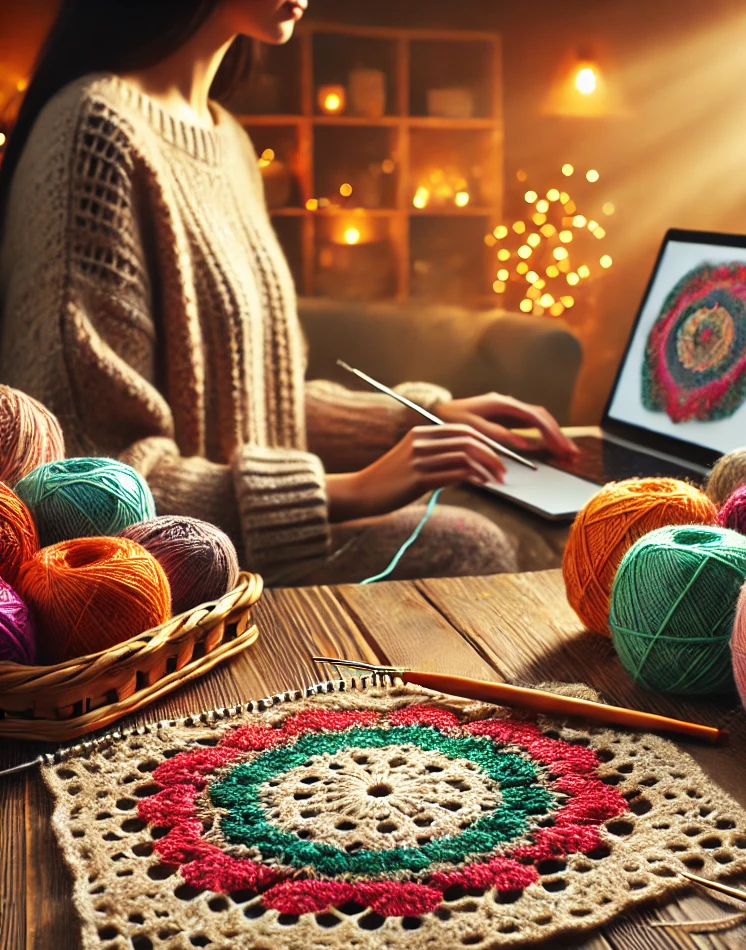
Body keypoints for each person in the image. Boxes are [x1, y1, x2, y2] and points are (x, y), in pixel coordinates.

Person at [0, 0, 578, 584]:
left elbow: (255, 401)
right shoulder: (93, 130)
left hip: (241, 535)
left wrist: (419, 419)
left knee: (522, 516)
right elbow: (82, 476)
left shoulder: (229, 140)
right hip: (166, 570)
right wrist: (348, 490)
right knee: (473, 544)